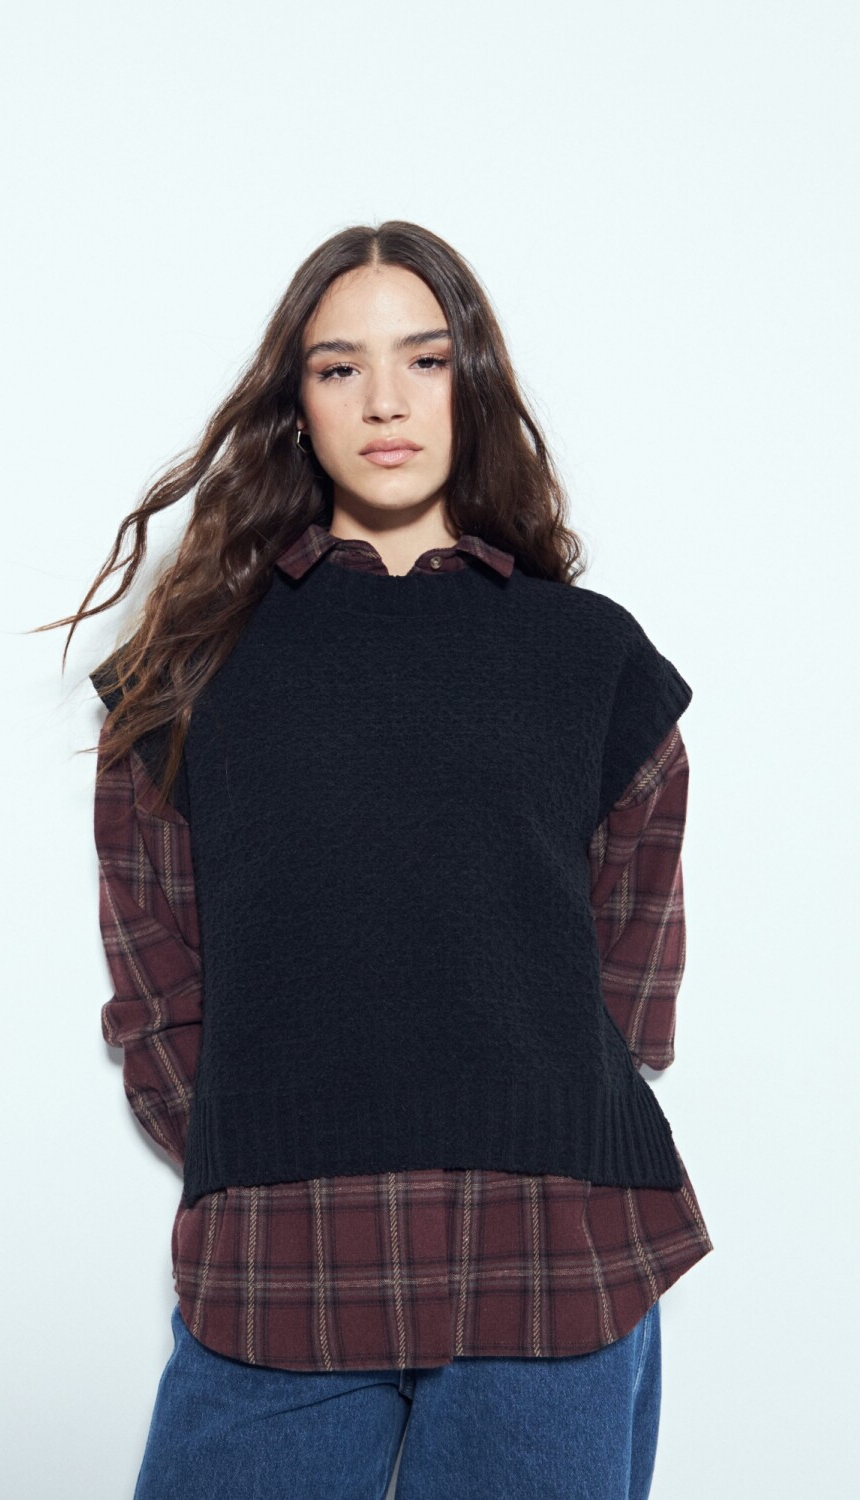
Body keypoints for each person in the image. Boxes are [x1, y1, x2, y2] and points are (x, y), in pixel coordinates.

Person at [56, 220, 713, 1498]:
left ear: (474, 383)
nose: (386, 402)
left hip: (553, 1241)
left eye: (424, 358)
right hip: (277, 1248)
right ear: (295, 403)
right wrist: (260, 1133)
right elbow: (154, 964)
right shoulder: (190, 667)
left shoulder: (589, 655)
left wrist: (531, 1090)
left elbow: (634, 956)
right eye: (338, 367)